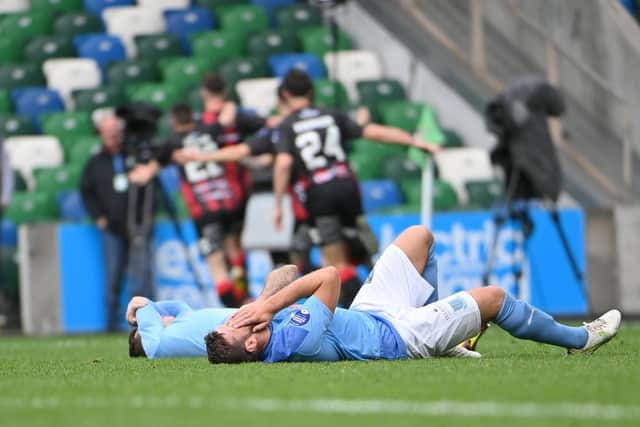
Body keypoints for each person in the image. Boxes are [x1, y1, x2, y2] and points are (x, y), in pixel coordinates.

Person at [205, 225, 621, 363]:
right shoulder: (295, 338)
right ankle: (579, 340)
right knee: (492, 296)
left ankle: (453, 339)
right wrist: (268, 305)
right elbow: (328, 276)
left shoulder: (260, 326)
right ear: (254, 341)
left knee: (418, 237)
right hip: (400, 337)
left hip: (371, 312)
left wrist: (260, 300)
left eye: (229, 319)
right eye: (235, 327)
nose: (233, 318)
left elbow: (287, 272)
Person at [270, 69, 441, 307]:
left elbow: (284, 163)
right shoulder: (331, 115)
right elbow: (374, 132)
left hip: (319, 194)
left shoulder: (287, 125)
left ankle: (364, 312)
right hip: (348, 188)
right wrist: (414, 141)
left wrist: (278, 204)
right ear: (311, 91)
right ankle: (394, 296)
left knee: (335, 261)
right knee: (362, 251)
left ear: (285, 94)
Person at [80, 115, 156, 332]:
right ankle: (110, 326)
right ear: (101, 133)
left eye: (116, 129)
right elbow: (86, 192)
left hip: (137, 228)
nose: (113, 134)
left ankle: (144, 324)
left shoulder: (132, 157)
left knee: (141, 278)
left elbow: (148, 187)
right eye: (108, 130)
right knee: (113, 278)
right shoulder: (95, 163)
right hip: (112, 229)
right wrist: (98, 216)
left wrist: (146, 216)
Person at [127, 264, 298, 358]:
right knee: (289, 273)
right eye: (148, 326)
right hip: (251, 328)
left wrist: (260, 304)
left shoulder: (183, 318)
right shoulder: (161, 344)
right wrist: (136, 315)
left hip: (259, 316)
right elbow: (140, 304)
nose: (157, 318)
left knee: (289, 271)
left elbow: (174, 305)